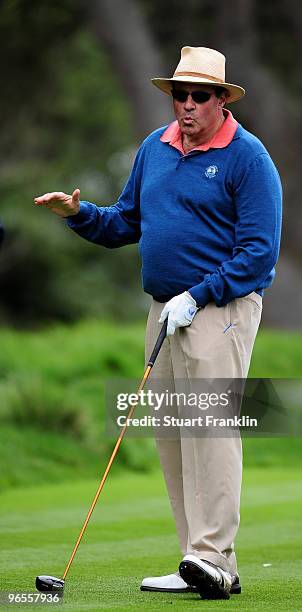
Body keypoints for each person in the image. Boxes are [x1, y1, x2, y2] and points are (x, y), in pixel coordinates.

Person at [34, 46, 282, 600]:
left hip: (221, 308)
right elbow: (126, 221)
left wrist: (199, 294)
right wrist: (78, 215)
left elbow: (260, 253)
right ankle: (198, 559)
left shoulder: (247, 157)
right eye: (180, 95)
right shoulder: (156, 147)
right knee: (171, 437)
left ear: (222, 100)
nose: (187, 105)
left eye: (199, 96)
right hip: (164, 309)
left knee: (210, 430)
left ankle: (213, 556)